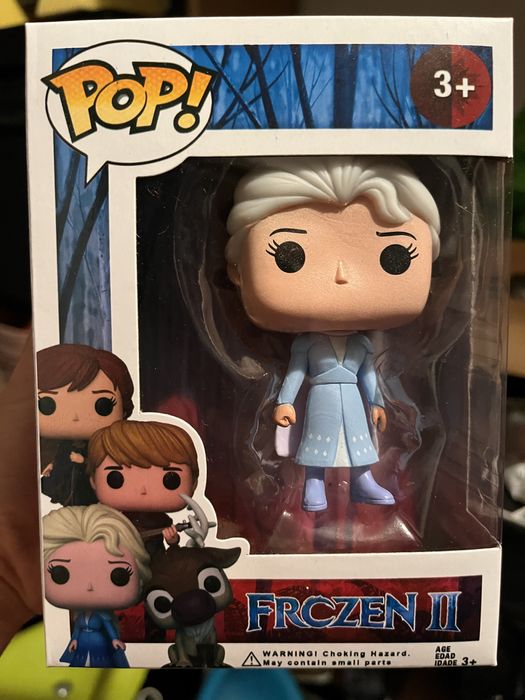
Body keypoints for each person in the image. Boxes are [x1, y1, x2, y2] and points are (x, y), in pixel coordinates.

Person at [226, 156, 440, 512]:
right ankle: (313, 485)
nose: (342, 274)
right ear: (238, 270)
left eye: (396, 257)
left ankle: (363, 481)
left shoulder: (361, 343)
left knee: (358, 441)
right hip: (322, 396)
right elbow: (296, 373)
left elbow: (368, 374)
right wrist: (284, 402)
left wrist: (376, 403)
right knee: (317, 441)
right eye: (289, 255)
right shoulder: (307, 344)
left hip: (352, 398)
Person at [43, 503, 150, 667]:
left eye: (119, 575)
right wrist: (74, 641)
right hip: (83, 644)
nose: (89, 586)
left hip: (100, 644)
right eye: (60, 573)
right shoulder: (79, 616)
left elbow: (109, 627)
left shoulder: (103, 616)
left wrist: (114, 640)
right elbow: (77, 630)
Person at [37, 343, 134, 506]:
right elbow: (60, 456)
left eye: (103, 405)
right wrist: (52, 464)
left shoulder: (105, 445)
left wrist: (83, 461)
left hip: (88, 484)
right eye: (47, 404)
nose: (75, 417)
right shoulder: (57, 444)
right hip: (65, 477)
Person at [88, 419, 199, 556]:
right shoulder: (116, 519)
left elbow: (171, 542)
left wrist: (172, 540)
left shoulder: (161, 520)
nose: (143, 490)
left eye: (170, 480)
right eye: (116, 478)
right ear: (93, 481)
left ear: (193, 483)